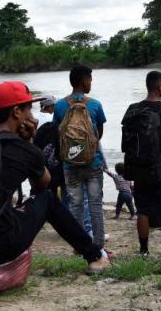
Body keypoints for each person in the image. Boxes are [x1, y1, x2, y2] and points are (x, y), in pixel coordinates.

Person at [0, 81, 111, 273]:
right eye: (29, 109)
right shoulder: (20, 148)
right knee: (48, 198)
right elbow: (44, 184)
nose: (32, 115)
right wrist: (30, 143)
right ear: (17, 112)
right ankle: (95, 257)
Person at [122, 71, 161, 259]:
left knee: (142, 210)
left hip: (138, 167)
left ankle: (143, 251)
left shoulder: (133, 109)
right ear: (160, 87)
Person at [52, 65, 107, 251]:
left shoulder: (59, 106)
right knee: (95, 204)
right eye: (90, 79)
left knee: (75, 205)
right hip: (94, 163)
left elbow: (57, 133)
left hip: (70, 164)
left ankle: (79, 246)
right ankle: (98, 244)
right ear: (84, 81)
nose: (91, 83)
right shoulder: (95, 105)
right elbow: (98, 134)